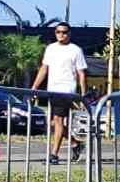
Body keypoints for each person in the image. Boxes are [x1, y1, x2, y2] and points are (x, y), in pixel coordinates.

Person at [30, 22, 86, 165]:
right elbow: (44, 69)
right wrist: (34, 87)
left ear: (69, 33)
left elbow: (81, 73)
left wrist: (82, 95)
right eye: (58, 32)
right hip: (52, 90)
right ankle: (75, 143)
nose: (61, 34)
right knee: (55, 122)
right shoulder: (51, 48)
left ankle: (54, 155)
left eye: (64, 32)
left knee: (59, 120)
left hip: (66, 90)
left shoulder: (75, 50)